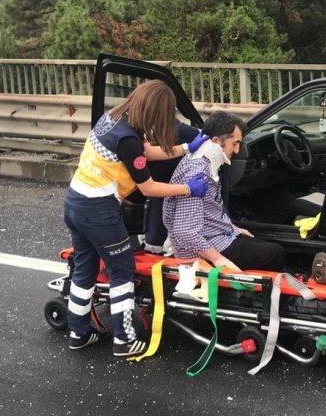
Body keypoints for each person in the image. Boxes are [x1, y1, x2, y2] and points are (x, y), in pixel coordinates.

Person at [63, 79, 209, 357]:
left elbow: (143, 152)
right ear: (154, 111)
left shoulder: (114, 118)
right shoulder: (128, 138)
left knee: (85, 268)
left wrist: (185, 148)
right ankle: (125, 341)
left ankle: (78, 333)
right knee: (122, 272)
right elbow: (149, 187)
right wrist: (189, 189)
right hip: (99, 211)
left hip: (75, 203)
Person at [164, 111, 286, 271]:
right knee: (276, 253)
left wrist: (232, 227)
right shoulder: (198, 174)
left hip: (218, 234)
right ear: (215, 141)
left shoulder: (205, 164)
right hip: (203, 248)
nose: (236, 151)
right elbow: (185, 231)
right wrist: (218, 259)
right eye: (234, 143)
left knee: (265, 242)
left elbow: (209, 211)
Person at [142, 120, 201, 254]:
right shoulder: (129, 133)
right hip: (102, 196)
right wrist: (186, 189)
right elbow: (147, 153)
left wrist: (186, 148)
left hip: (159, 200)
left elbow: (148, 152)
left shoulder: (129, 127)